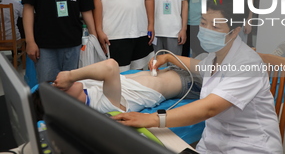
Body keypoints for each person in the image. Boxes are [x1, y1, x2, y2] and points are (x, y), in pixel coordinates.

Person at [113, 0, 283, 154]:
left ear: (235, 30)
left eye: (215, 26)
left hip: (250, 146)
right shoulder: (217, 55)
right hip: (214, 143)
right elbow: (199, 65)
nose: (207, 29)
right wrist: (168, 58)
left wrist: (152, 119)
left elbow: (209, 108)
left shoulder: (248, 64)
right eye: (203, 23)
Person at [32, 59, 202, 120]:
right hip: (187, 83)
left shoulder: (85, 88)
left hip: (173, 69)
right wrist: (70, 76)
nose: (62, 83)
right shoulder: (102, 107)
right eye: (59, 87)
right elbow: (110, 66)